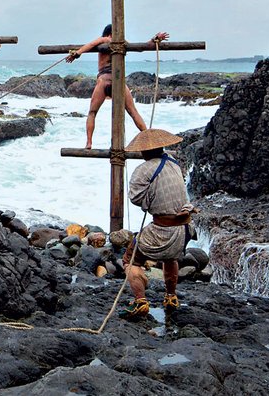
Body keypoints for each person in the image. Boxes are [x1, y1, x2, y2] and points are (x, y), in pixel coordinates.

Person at [119, 128, 196, 319]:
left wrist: (150, 200)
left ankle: (140, 302)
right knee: (171, 259)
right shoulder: (174, 163)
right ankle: (171, 297)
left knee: (130, 260)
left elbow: (136, 199)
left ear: (144, 151)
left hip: (163, 230)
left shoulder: (143, 169)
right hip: (185, 229)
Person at [66, 25, 169, 149]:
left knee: (92, 112)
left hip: (104, 80)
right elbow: (142, 48)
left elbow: (89, 45)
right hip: (118, 82)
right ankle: (148, 139)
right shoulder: (122, 43)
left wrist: (76, 54)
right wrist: (154, 39)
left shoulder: (104, 39)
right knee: (133, 111)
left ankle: (89, 142)